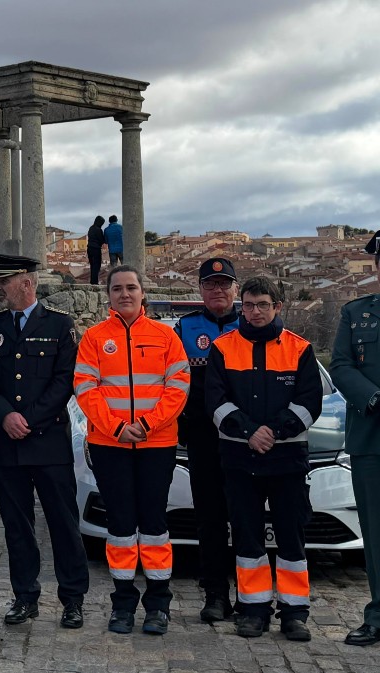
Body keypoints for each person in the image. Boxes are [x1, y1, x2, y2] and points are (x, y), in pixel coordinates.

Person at [0, 254, 88, 629]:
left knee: (63, 524)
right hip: (6, 443)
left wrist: (29, 419)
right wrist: (5, 415)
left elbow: (64, 380)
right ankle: (25, 597)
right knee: (17, 526)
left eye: (5, 281)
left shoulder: (59, 325)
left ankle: (73, 599)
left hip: (48, 441)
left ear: (27, 283)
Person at [73, 265, 188, 635]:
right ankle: (122, 604)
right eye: (117, 288)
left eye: (131, 287)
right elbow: (85, 389)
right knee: (120, 525)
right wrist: (118, 427)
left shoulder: (165, 336)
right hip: (110, 444)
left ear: (142, 293)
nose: (125, 294)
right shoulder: (94, 337)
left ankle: (158, 604)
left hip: (157, 443)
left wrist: (148, 424)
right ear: (109, 295)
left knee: (154, 525)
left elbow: (179, 386)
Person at [207, 276, 321, 641]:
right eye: (249, 305)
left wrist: (273, 431)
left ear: (278, 307)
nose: (255, 312)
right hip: (240, 460)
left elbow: (310, 402)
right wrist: (249, 431)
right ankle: (253, 610)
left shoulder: (300, 349)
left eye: (263, 305)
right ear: (242, 306)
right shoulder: (222, 348)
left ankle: (294, 613)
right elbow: (215, 400)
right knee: (247, 538)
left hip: (287, 461)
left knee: (291, 538)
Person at [173, 258, 240, 623]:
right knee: (210, 519)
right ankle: (215, 593)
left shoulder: (251, 323)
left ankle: (250, 595)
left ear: (235, 288)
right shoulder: (185, 328)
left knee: (245, 519)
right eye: (210, 284)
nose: (217, 290)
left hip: (245, 439)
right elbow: (175, 383)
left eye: (224, 283)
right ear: (200, 289)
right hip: (203, 439)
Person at [330, 229, 380, 647]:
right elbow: (341, 365)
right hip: (371, 436)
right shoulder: (356, 313)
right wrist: (374, 398)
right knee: (375, 534)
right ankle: (378, 614)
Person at [86, 216, 106, 285]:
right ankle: (95, 282)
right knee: (96, 265)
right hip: (96, 249)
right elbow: (102, 240)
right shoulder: (99, 230)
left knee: (92, 265)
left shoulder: (91, 228)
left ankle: (92, 281)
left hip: (89, 248)